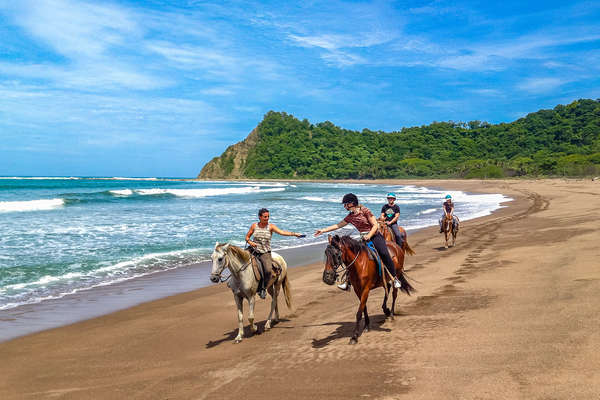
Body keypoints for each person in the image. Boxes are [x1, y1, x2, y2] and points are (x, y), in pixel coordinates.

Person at [314, 193, 402, 291]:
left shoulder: (365, 211)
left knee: (384, 253)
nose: (345, 206)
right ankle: (347, 282)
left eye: (346, 204)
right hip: (362, 238)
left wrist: (369, 235)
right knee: (352, 256)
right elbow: (338, 225)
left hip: (375, 236)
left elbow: (375, 225)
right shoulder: (350, 216)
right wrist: (323, 230)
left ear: (352, 203)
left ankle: (395, 278)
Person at [246, 208, 303, 299]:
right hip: (253, 250)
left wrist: (294, 234)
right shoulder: (254, 226)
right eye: (265, 217)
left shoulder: (271, 227)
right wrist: (250, 242)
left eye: (268, 216)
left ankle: (263, 289)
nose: (267, 218)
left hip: (265, 252)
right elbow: (247, 237)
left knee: (268, 270)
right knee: (239, 261)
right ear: (260, 217)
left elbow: (282, 232)